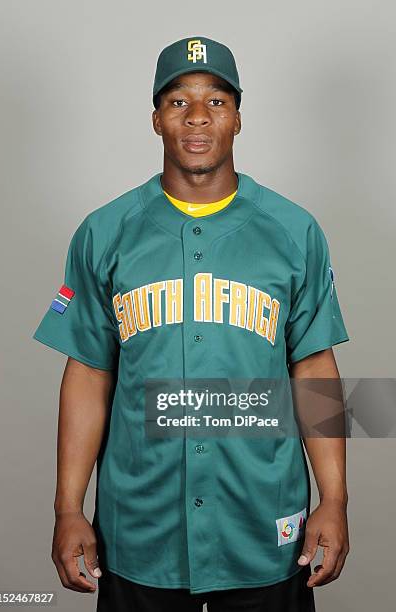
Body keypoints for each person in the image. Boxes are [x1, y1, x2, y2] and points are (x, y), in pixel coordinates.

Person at [32, 36, 350, 611]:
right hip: (140, 528)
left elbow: (314, 367)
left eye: (216, 101)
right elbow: (87, 373)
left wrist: (335, 499)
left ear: (237, 118)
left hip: (262, 525)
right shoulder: (104, 232)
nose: (198, 116)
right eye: (178, 101)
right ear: (156, 119)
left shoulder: (293, 230)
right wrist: (69, 508)